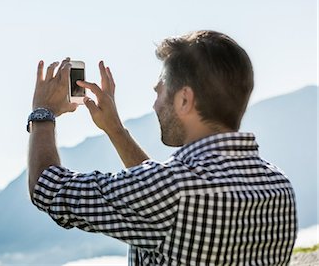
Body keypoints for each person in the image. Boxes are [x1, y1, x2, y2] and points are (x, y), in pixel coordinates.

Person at [27, 30, 298, 265]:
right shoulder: (279, 186)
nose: (155, 104)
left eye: (159, 91)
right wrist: (115, 130)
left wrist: (43, 112)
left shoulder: (172, 189)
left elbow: (47, 188)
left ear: (184, 100)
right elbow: (158, 200)